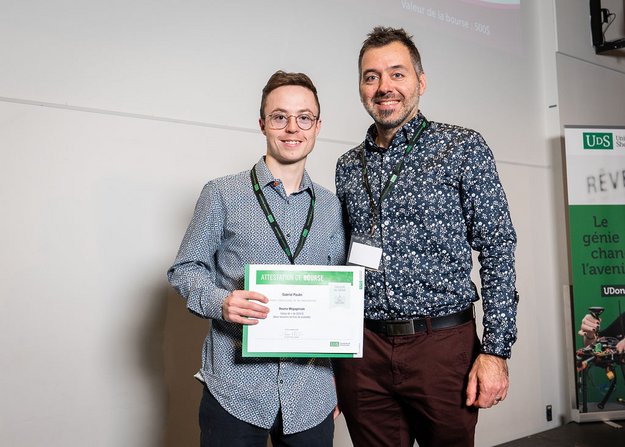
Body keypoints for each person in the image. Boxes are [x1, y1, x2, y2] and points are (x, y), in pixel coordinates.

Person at [333, 27, 518, 447]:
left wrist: (496, 351)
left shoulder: (462, 148)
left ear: (421, 81)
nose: (384, 87)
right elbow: (340, 262)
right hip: (364, 351)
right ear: (361, 88)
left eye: (397, 73)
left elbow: (497, 247)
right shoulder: (347, 166)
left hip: (442, 348)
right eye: (371, 76)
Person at [167, 70, 345, 447]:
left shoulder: (331, 207)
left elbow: (340, 295)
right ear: (263, 123)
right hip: (235, 390)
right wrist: (222, 301)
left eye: (304, 118)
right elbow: (185, 269)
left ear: (317, 126)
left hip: (310, 393)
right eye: (280, 117)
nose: (292, 128)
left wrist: (341, 381)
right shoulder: (222, 194)